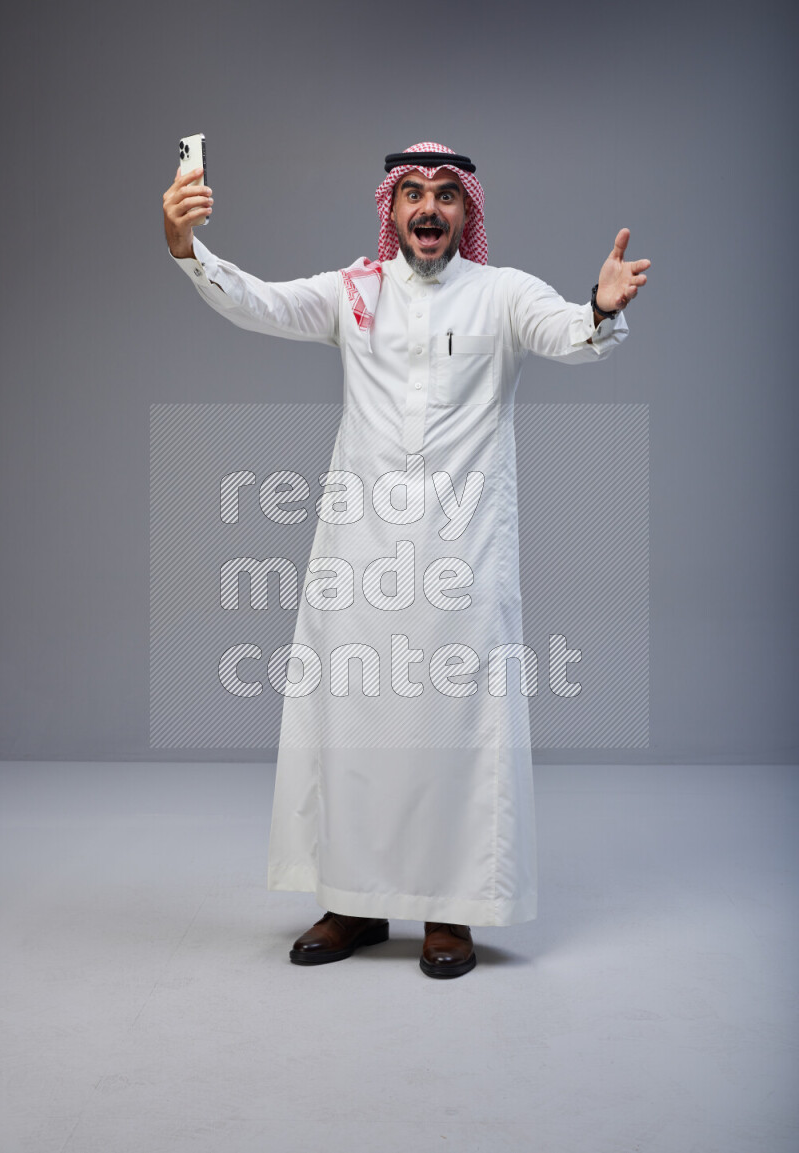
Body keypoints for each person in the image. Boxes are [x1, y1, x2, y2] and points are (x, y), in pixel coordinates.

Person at [163, 141, 650, 979]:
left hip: (464, 555)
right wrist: (185, 248)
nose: (429, 207)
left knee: (455, 729)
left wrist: (600, 309)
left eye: (446, 194)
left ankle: (449, 911)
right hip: (360, 555)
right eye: (413, 193)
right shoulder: (354, 292)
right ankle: (351, 902)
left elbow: (570, 333)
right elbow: (260, 302)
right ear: (391, 210)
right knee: (353, 726)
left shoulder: (503, 294)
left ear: (466, 213)